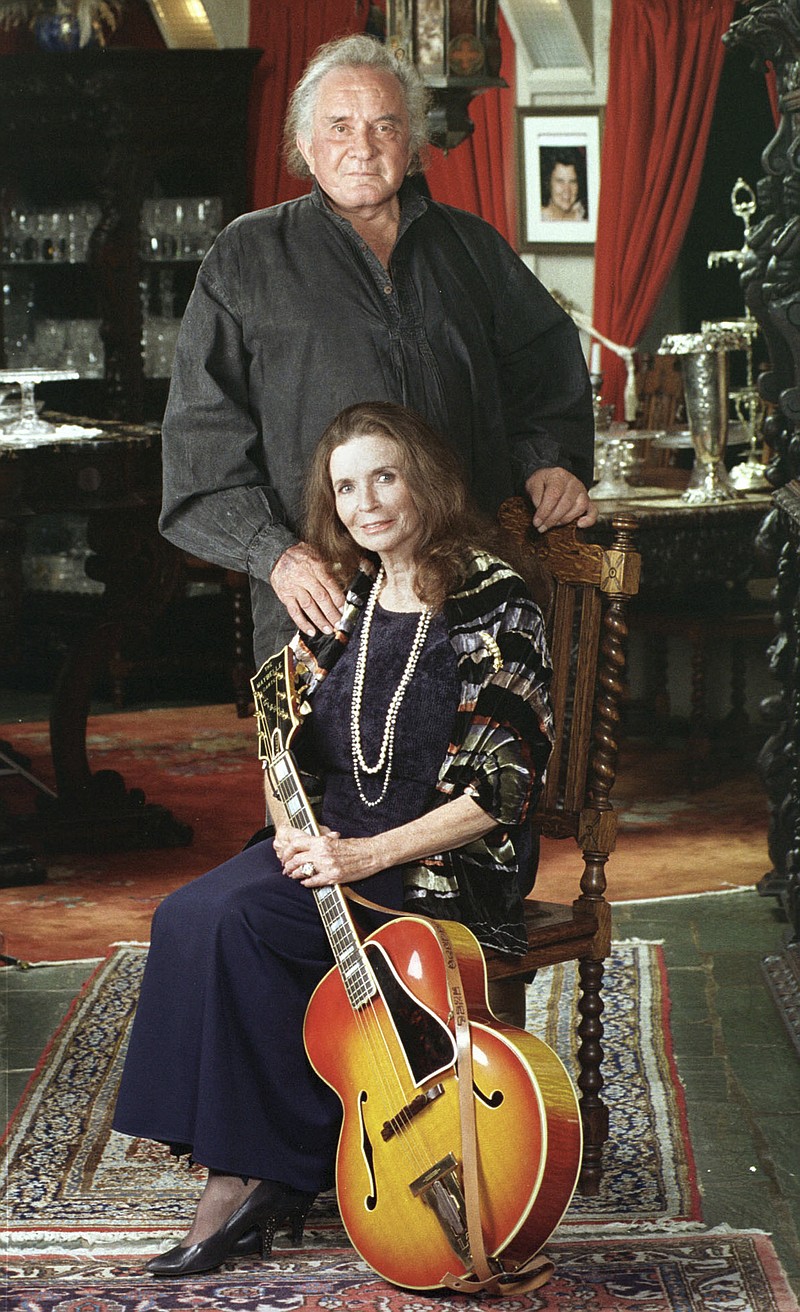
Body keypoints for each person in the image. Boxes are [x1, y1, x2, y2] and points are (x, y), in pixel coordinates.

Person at [113, 401, 555, 1277]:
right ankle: (256, 1164)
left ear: (424, 478)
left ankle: (252, 1177)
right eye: (345, 486)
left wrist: (360, 857)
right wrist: (290, 827)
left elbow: (501, 788)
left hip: (439, 861)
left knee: (241, 925)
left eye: (384, 477)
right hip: (338, 846)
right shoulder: (350, 602)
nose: (366, 502)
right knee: (189, 914)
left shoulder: (495, 600)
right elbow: (286, 737)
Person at [157, 33, 597, 670]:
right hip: (321, 604)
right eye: (338, 127)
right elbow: (199, 448)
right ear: (305, 146)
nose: (361, 148)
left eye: (384, 126)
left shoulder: (473, 248)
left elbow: (545, 367)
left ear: (412, 143)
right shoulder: (246, 257)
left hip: (472, 597)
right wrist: (274, 555)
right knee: (330, 770)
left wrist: (547, 462)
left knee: (476, 765)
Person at [540, 149, 587, 223]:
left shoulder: (586, 218)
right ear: (547, 183)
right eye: (560, 181)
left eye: (572, 182)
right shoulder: (536, 220)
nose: (567, 191)